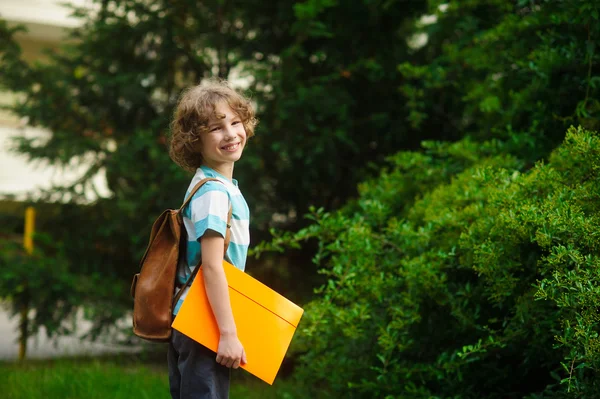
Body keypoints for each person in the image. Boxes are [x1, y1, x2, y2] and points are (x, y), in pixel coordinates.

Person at [167, 79, 258, 399]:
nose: (231, 134)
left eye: (236, 122)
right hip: (202, 321)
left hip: (199, 318)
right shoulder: (214, 193)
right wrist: (228, 333)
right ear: (195, 141)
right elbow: (212, 267)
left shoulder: (216, 186)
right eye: (217, 128)